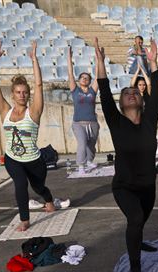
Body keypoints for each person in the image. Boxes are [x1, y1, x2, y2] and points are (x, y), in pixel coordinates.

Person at [95, 37, 158, 272]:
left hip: (148, 186)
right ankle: (135, 266)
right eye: (126, 93)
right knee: (134, 219)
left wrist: (153, 62)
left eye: (135, 92)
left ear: (142, 100)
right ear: (121, 104)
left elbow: (157, 92)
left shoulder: (150, 120)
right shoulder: (117, 121)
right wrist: (100, 62)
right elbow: (103, 90)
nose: (131, 94)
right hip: (124, 186)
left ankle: (139, 242)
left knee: (140, 221)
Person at [0, 39, 56, 232]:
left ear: (28, 95)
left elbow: (39, 84)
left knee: (39, 188)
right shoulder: (5, 112)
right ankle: (25, 219)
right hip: (12, 158)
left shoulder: (33, 112)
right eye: (18, 92)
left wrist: (34, 59)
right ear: (12, 94)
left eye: (25, 92)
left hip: (34, 161)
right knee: (20, 184)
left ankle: (49, 199)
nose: (21, 95)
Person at [66, 45, 99, 176]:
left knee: (91, 145)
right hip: (78, 123)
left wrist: (98, 58)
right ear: (79, 81)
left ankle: (90, 161)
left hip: (93, 123)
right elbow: (70, 73)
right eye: (82, 77)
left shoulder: (92, 91)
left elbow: (98, 75)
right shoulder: (75, 90)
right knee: (82, 143)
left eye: (87, 78)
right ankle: (81, 166)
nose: (85, 79)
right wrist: (69, 58)